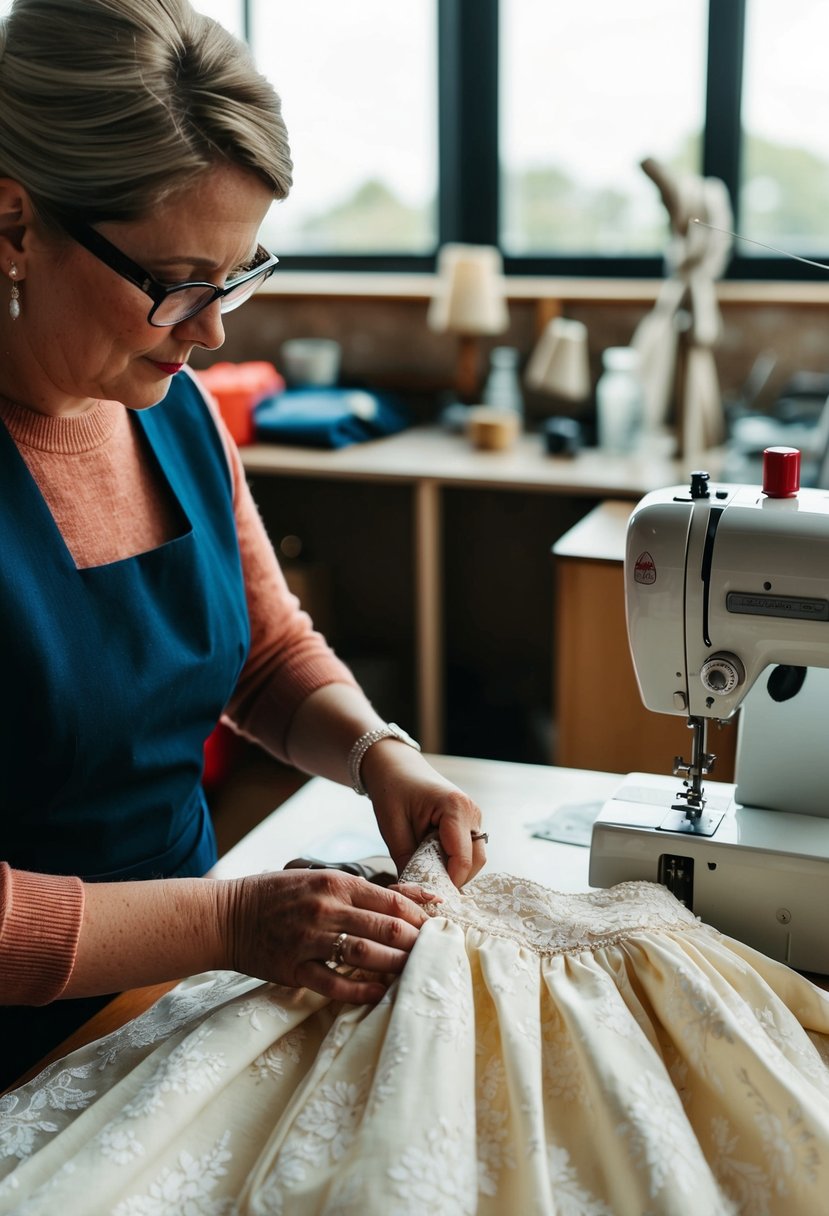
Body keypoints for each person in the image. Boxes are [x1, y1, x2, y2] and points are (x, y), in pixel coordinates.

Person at [0, 0, 485, 1091]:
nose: (215, 330)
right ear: (15, 225)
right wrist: (230, 919)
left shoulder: (173, 406)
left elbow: (263, 654)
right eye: (178, 281)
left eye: (238, 275)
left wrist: (379, 755)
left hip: (160, 1003)